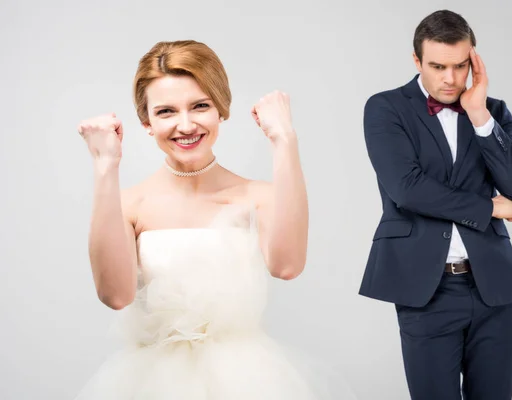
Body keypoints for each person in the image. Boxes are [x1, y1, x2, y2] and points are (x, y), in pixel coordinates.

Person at [75, 40, 354, 399]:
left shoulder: (259, 196)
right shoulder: (128, 204)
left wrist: (284, 139)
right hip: (150, 384)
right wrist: (104, 167)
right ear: (146, 122)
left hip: (249, 380)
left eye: (200, 106)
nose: (186, 125)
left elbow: (287, 266)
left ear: (221, 109)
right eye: (166, 112)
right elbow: (115, 295)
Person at [360, 10, 512, 400]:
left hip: (493, 285)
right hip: (427, 288)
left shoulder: (493, 112)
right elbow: (407, 189)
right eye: (438, 66)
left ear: (472, 60)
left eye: (460, 66)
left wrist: (479, 115)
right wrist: (490, 208)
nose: (450, 78)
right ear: (416, 61)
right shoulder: (386, 108)